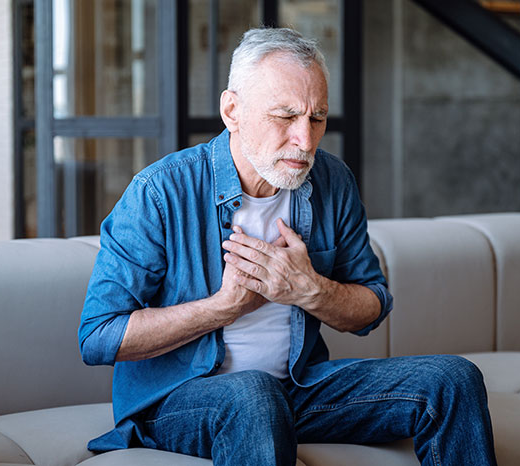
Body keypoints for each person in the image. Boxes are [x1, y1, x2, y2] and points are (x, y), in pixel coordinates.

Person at [78, 27, 497, 466]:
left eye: (317, 118)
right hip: (177, 401)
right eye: (285, 116)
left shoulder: (332, 182)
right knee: (253, 394)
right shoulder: (160, 192)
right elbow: (98, 337)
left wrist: (309, 289)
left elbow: (372, 305)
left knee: (453, 379)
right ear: (232, 110)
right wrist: (224, 307)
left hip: (296, 388)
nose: (306, 139)